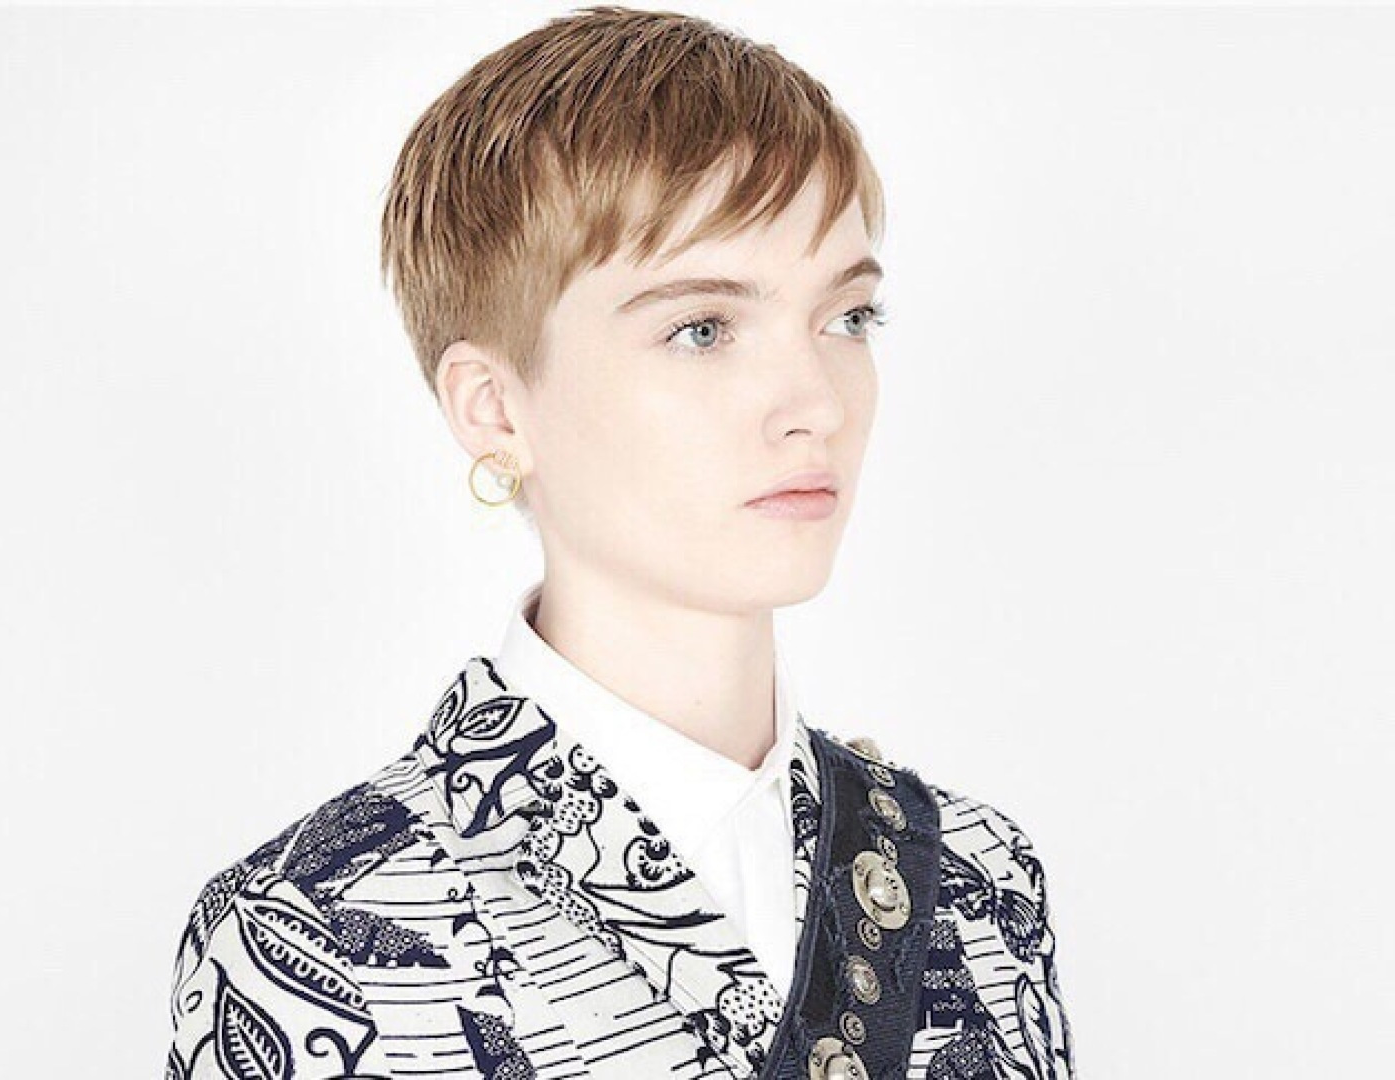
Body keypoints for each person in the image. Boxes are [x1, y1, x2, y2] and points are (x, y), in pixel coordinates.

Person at [163, 6, 1076, 1078]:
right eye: (703, 329)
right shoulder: (314, 935)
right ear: (494, 407)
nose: (817, 405)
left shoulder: (977, 879)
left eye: (848, 318)